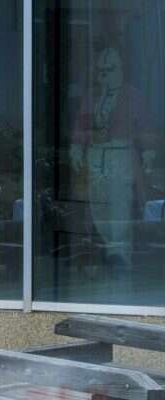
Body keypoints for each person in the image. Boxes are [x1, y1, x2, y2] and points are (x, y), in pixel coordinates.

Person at [70, 47, 156, 266]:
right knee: (98, 207)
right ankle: (108, 250)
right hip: (95, 157)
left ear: (120, 70)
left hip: (120, 157)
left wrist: (148, 153)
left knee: (120, 208)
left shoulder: (133, 96)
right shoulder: (91, 97)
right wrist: (77, 148)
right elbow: (81, 126)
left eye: (110, 69)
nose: (105, 74)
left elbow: (145, 127)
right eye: (102, 70)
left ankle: (120, 256)